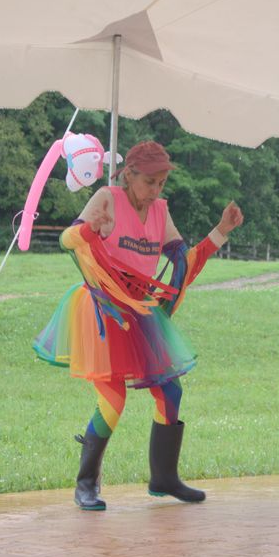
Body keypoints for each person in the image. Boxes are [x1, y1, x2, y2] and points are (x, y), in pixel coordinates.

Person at [34, 140, 244, 510]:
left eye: (162, 182)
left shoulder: (160, 211)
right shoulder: (107, 198)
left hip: (140, 314)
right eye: (150, 182)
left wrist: (220, 230)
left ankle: (164, 478)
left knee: (171, 392)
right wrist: (88, 230)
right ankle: (86, 484)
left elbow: (184, 261)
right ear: (129, 175)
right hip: (103, 311)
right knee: (114, 400)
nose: (156, 190)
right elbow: (67, 239)